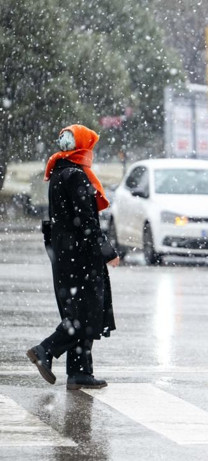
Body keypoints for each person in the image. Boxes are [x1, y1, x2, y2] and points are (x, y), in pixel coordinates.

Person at [27, 124, 119, 390]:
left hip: (66, 254)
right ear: (83, 147)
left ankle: (80, 373)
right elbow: (86, 221)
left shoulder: (58, 172)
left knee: (78, 311)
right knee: (87, 315)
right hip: (80, 255)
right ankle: (45, 349)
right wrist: (106, 251)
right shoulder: (76, 176)